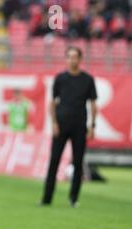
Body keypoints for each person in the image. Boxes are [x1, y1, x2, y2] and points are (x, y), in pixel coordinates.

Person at [41, 46, 97, 208]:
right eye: (70, 57)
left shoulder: (87, 79)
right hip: (61, 125)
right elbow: (52, 102)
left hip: (80, 126)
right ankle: (47, 198)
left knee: (78, 162)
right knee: (54, 161)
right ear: (66, 59)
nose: (72, 60)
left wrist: (92, 125)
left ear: (80, 59)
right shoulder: (60, 79)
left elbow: (93, 104)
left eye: (75, 57)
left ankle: (73, 198)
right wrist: (53, 123)